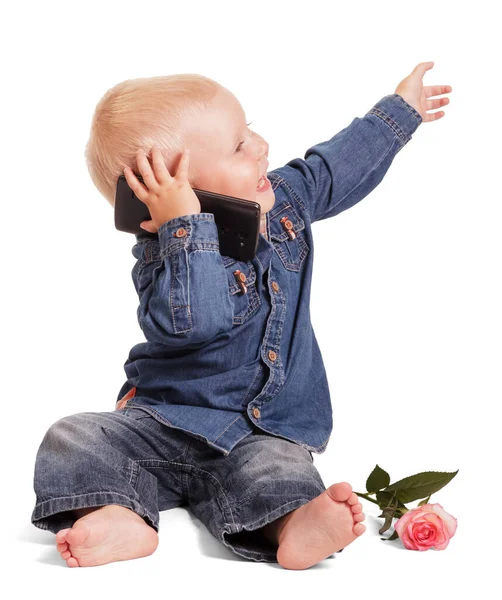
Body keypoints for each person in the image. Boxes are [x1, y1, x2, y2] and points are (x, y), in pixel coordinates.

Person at [31, 63, 452, 569]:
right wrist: (186, 231)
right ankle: (119, 513)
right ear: (169, 194)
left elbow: (335, 167)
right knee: (71, 436)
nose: (262, 145)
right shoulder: (161, 258)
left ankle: (293, 524)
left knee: (279, 469)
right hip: (163, 423)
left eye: (248, 129)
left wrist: (399, 113)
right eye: (238, 147)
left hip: (262, 433)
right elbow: (199, 321)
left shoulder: (283, 204)